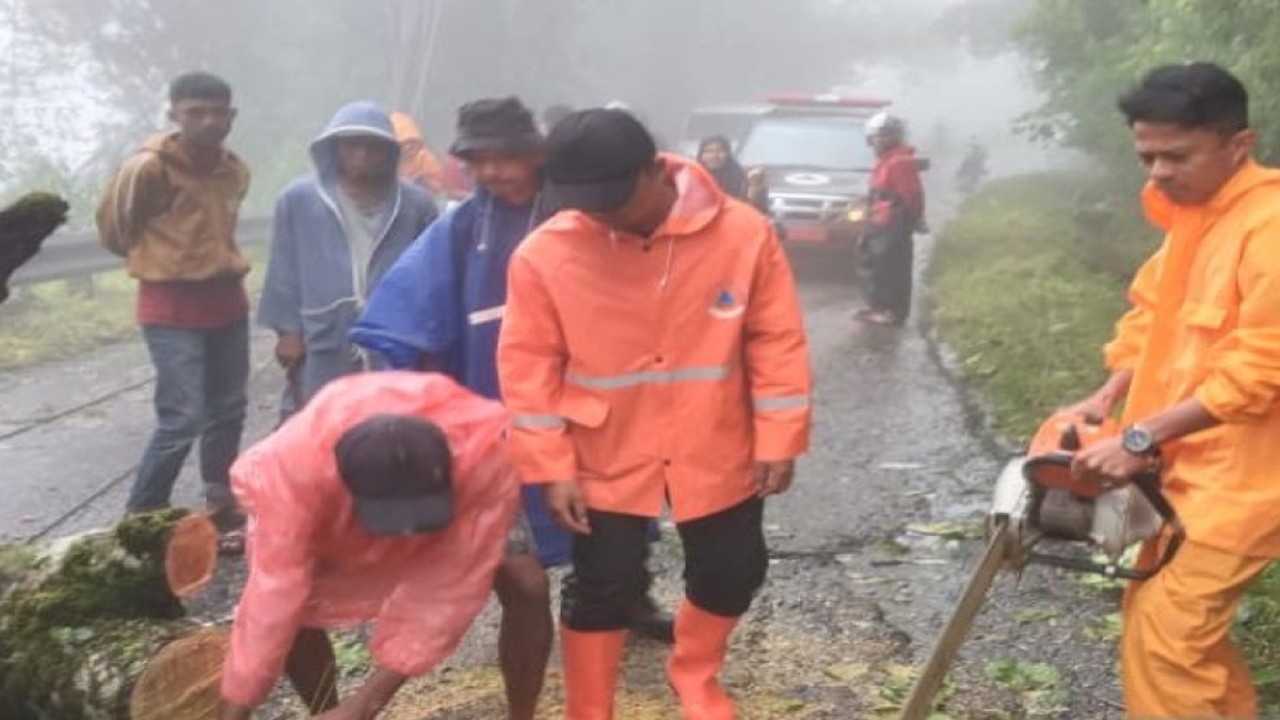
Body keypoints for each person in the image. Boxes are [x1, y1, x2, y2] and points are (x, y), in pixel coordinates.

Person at [351, 97, 670, 720]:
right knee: (516, 576)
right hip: (498, 418)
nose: (492, 172)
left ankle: (623, 607)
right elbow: (408, 317)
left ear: (537, 153)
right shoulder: (464, 228)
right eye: (478, 160)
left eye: (506, 157)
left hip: (593, 410)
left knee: (610, 535)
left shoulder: (585, 209)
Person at [497, 109, 812, 720]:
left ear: (655, 169)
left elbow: (775, 339)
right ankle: (589, 709)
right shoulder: (545, 254)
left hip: (716, 437)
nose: (601, 215)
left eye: (614, 199)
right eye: (586, 204)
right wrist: (551, 466)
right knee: (603, 585)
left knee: (734, 569)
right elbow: (527, 365)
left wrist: (779, 436)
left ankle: (694, 673)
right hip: (604, 448)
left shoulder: (743, 234)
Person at [1066, 62, 1280, 719]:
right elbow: (1153, 317)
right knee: (1184, 645)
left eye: (1175, 155)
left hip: (1245, 484)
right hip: (1185, 474)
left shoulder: (1268, 225)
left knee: (1166, 646)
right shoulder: (1194, 214)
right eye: (1146, 156)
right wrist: (1106, 396)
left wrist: (1141, 437)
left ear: (1237, 145)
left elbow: (1263, 366)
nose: (1157, 172)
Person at [217, 371, 520, 720]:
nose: (406, 536)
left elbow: (445, 594)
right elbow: (273, 598)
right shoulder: (294, 474)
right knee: (295, 612)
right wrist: (237, 706)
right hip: (310, 492)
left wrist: (365, 705)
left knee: (525, 582)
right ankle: (324, 709)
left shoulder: (482, 455)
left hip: (458, 476)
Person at [96, 72, 251, 538]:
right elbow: (115, 228)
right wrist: (157, 258)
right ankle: (141, 520)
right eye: (194, 112)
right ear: (174, 116)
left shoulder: (234, 170)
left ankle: (220, 504)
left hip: (227, 302)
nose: (207, 121)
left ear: (231, 116)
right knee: (181, 417)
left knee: (229, 408)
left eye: (216, 112)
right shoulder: (148, 167)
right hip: (169, 306)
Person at [257, 101, 436, 419]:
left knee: (391, 423)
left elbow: (430, 275)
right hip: (324, 332)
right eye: (351, 144)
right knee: (316, 418)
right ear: (333, 147)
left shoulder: (416, 205)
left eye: (373, 146)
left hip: (393, 334)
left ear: (390, 152)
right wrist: (288, 332)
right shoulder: (300, 199)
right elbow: (285, 269)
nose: (362, 155)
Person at [856, 111, 925, 327]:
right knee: (874, 263)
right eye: (876, 136)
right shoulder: (887, 160)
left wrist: (909, 220)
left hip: (894, 220)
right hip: (880, 219)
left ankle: (892, 311)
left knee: (892, 266)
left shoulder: (900, 162)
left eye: (881, 136)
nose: (876, 141)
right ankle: (878, 306)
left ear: (892, 137)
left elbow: (911, 195)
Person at [696, 135, 769, 215]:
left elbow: (756, 209)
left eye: (720, 151)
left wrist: (755, 188)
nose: (714, 156)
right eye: (708, 151)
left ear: (728, 154)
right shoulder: (694, 177)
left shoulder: (740, 178)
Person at [391, 111, 446, 197]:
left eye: (411, 142)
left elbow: (440, 185)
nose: (407, 147)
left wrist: (423, 181)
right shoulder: (390, 160)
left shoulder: (424, 158)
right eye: (403, 144)